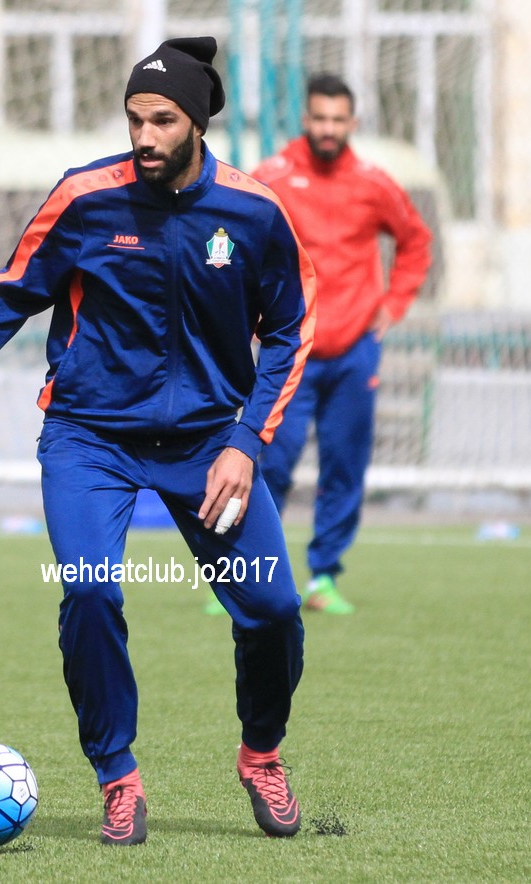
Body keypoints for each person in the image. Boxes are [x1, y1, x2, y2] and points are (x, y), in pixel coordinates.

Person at [0, 37, 316, 846]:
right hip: (89, 437)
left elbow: (292, 331)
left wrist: (246, 441)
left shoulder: (255, 213)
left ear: (198, 123)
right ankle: (117, 775)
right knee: (89, 591)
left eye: (163, 121)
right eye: (134, 119)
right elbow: (10, 291)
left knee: (273, 610)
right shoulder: (85, 198)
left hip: (208, 445)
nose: (145, 136)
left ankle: (261, 753)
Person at [207, 72, 431, 616]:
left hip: (354, 351)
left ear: (352, 123)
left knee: (344, 468)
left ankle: (324, 577)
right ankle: (241, 574)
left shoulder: (374, 183)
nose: (328, 128)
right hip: (291, 352)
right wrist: (242, 312)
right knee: (268, 463)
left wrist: (394, 304)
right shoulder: (274, 177)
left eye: (338, 120)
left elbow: (416, 241)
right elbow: (227, 238)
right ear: (306, 120)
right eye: (320, 118)